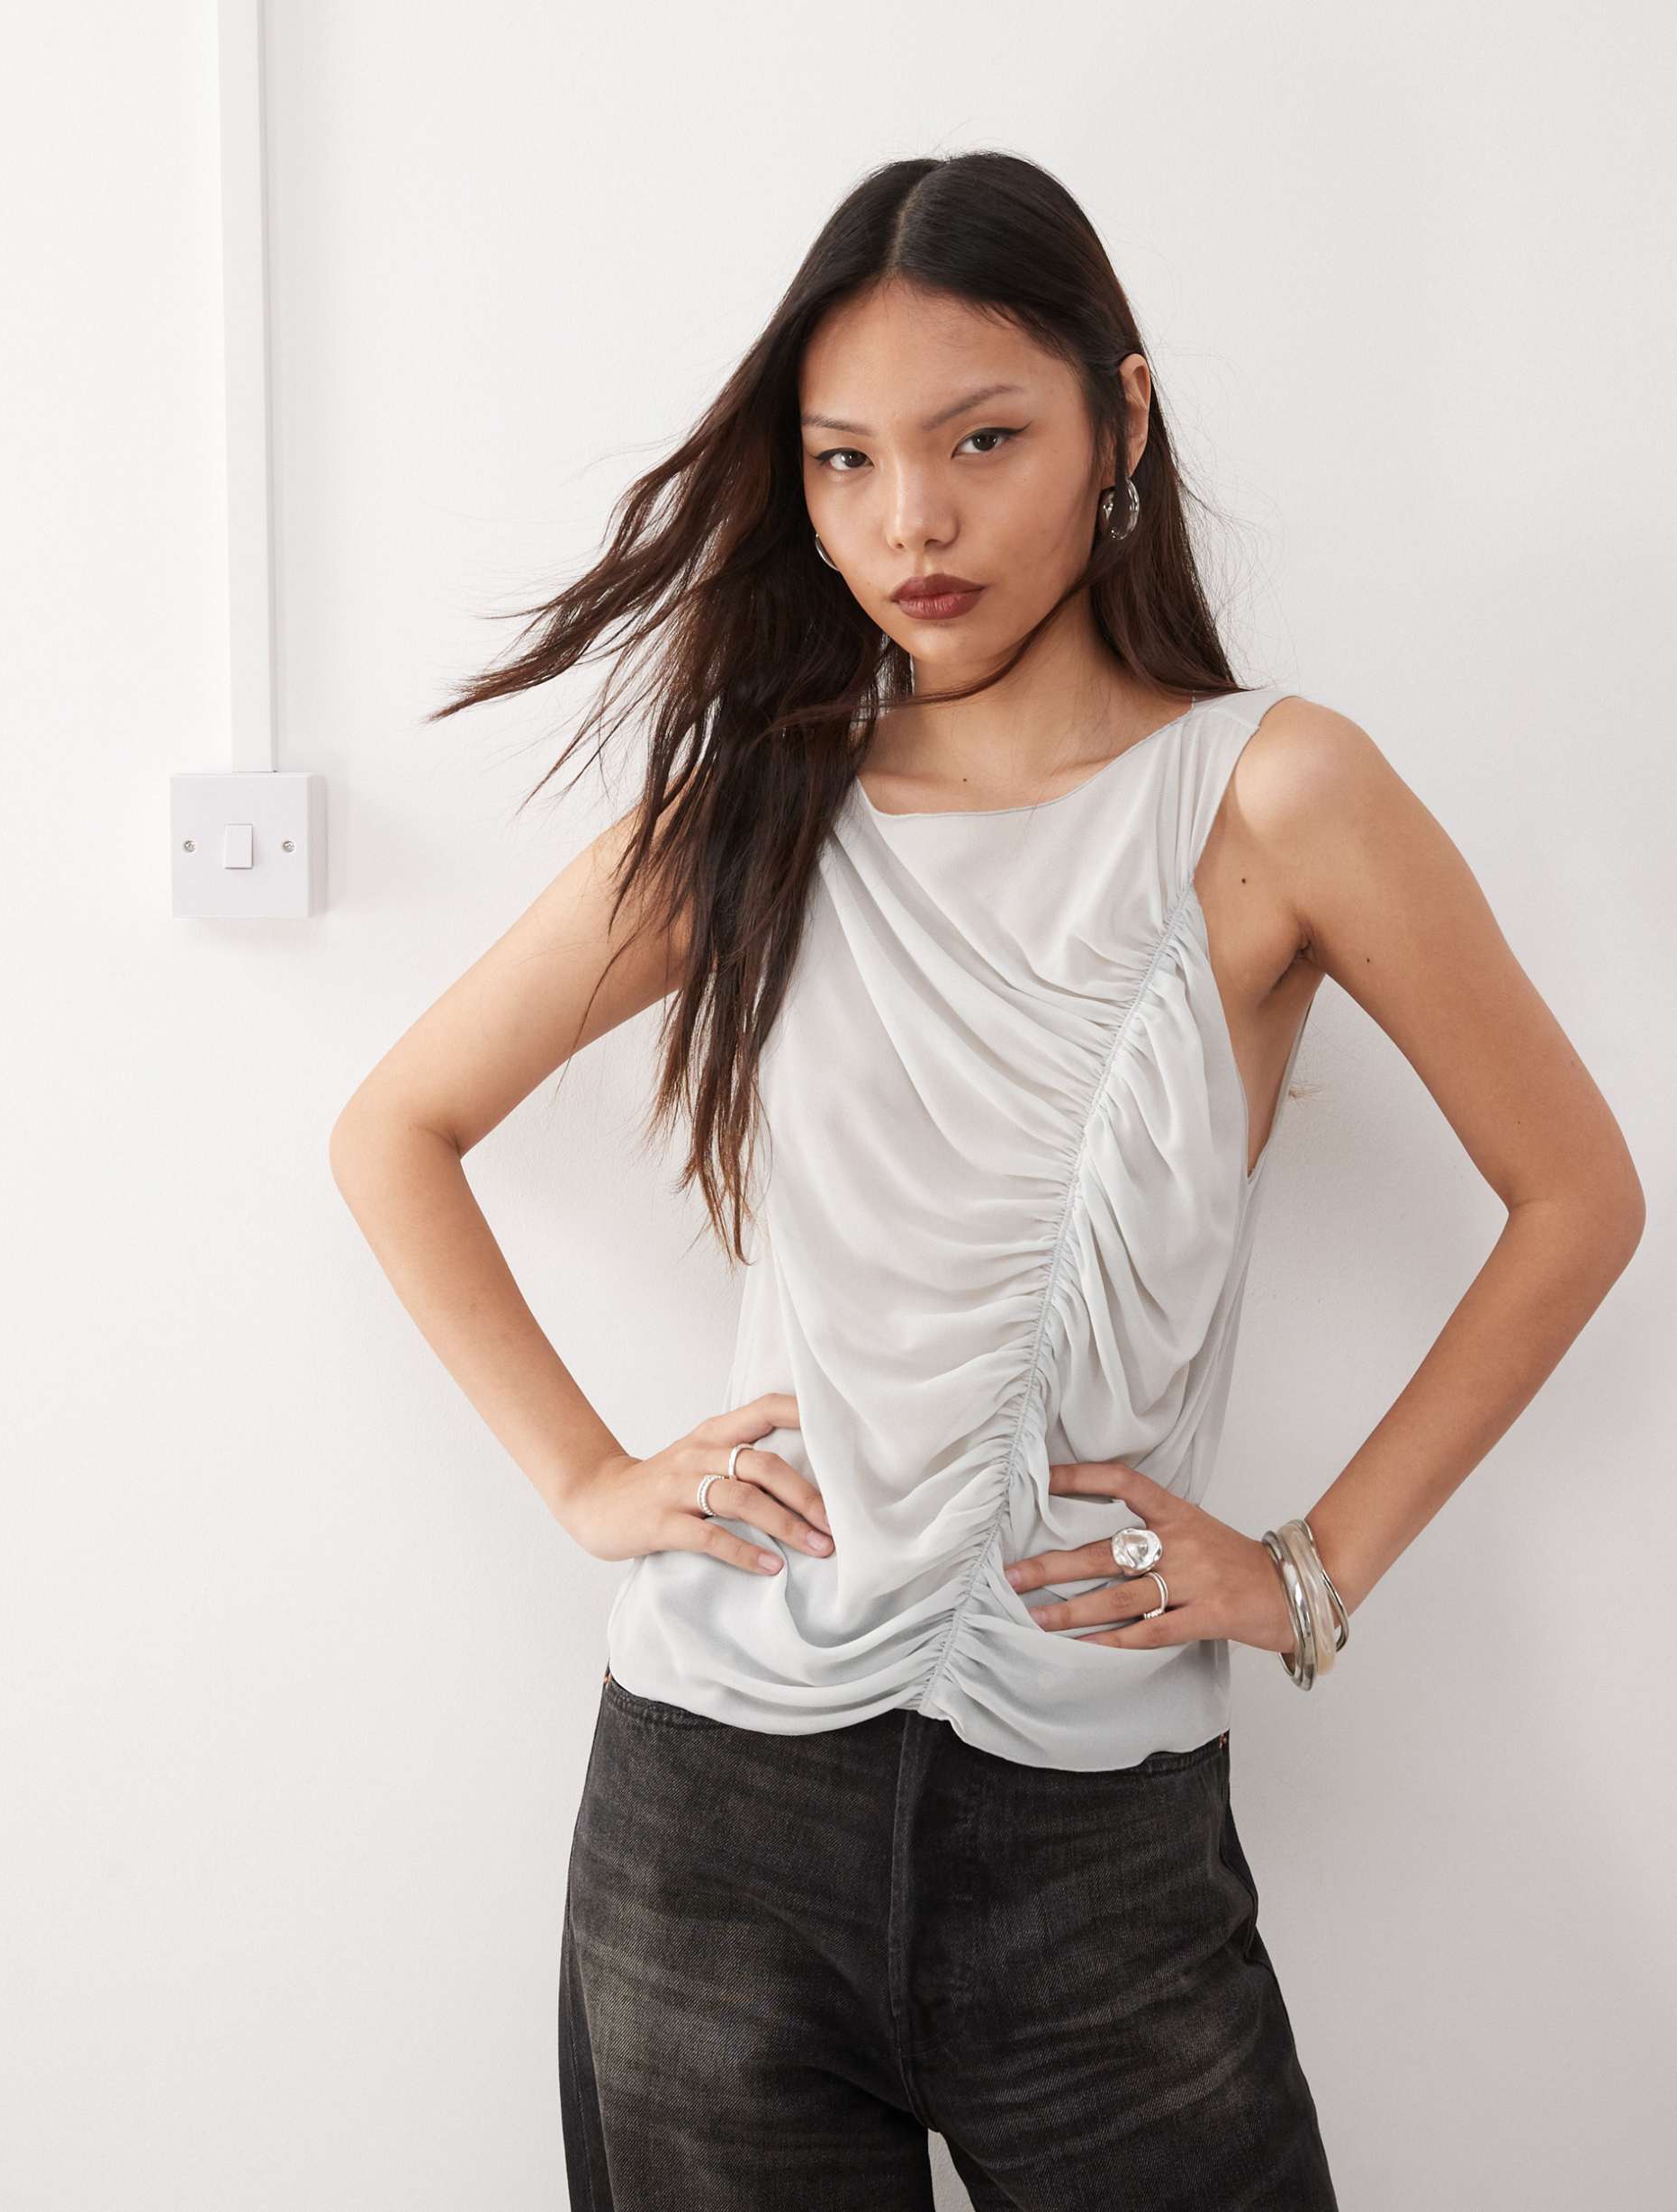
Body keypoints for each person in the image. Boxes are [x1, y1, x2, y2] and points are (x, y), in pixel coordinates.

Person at [329, 150, 1644, 2210]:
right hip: (712, 1826)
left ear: (1121, 423)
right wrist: (591, 1479)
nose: (909, 522)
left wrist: (1309, 1569)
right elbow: (394, 1125)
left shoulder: (1277, 792)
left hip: (1096, 1845)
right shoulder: (759, 808)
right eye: (844, 461)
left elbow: (1577, 1194)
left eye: (981, 441)